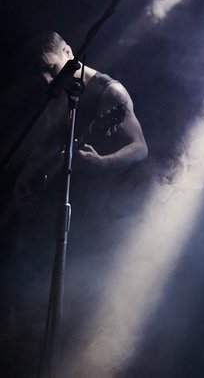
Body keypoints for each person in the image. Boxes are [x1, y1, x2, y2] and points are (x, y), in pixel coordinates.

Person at [0, 29, 148, 360]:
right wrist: (26, 175)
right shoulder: (60, 89)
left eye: (50, 68)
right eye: (39, 73)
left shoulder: (110, 91)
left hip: (90, 212)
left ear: (68, 52)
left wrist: (104, 162)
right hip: (50, 205)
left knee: (70, 301)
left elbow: (140, 148)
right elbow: (48, 138)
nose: (46, 79)